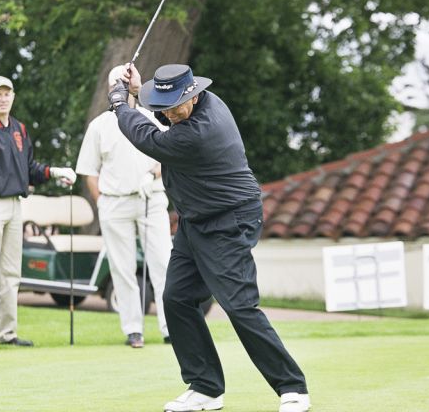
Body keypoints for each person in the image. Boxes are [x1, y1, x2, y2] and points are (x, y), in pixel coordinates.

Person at [109, 64, 311, 412]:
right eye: (164, 106)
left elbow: (149, 139)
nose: (170, 113)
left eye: (176, 106)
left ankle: (293, 387)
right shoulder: (204, 104)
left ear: (194, 94)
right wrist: (140, 93)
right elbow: (158, 123)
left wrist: (120, 105)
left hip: (230, 219)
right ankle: (205, 387)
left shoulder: (198, 132)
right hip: (197, 219)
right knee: (176, 297)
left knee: (238, 304)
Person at [0, 76, 76, 352]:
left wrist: (54, 172)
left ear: (13, 96)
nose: (3, 98)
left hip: (14, 205)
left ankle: (5, 332)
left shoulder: (18, 129)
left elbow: (29, 168)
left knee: (10, 272)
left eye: (7, 93)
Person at [76, 65, 172, 348]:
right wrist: (102, 202)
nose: (119, 86)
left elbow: (169, 152)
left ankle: (171, 327)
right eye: (114, 82)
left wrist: (153, 173)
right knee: (122, 267)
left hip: (150, 199)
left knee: (163, 263)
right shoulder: (99, 126)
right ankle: (133, 329)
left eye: (124, 81)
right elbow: (89, 171)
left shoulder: (150, 117)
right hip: (114, 203)